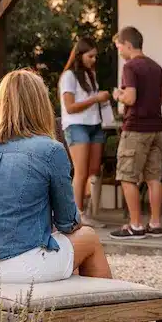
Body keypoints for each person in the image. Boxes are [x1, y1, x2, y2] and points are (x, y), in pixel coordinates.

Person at [0, 69, 152, 322]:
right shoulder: (49, 149)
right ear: (40, 105)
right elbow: (70, 221)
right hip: (14, 264)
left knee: (62, 248)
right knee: (89, 239)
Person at [109, 26, 162, 240]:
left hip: (135, 129)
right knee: (153, 177)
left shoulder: (130, 67)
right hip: (156, 128)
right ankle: (155, 224)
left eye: (119, 47)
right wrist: (150, 103)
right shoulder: (155, 66)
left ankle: (135, 226)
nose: (119, 51)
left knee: (127, 177)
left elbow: (131, 98)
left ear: (128, 44)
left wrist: (118, 95)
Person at [59, 37, 112, 214]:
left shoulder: (91, 75)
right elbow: (70, 107)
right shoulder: (68, 76)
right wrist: (95, 99)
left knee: (94, 170)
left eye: (95, 56)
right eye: (90, 56)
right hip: (76, 126)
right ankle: (77, 215)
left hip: (94, 125)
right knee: (81, 172)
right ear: (80, 55)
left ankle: (86, 211)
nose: (94, 60)